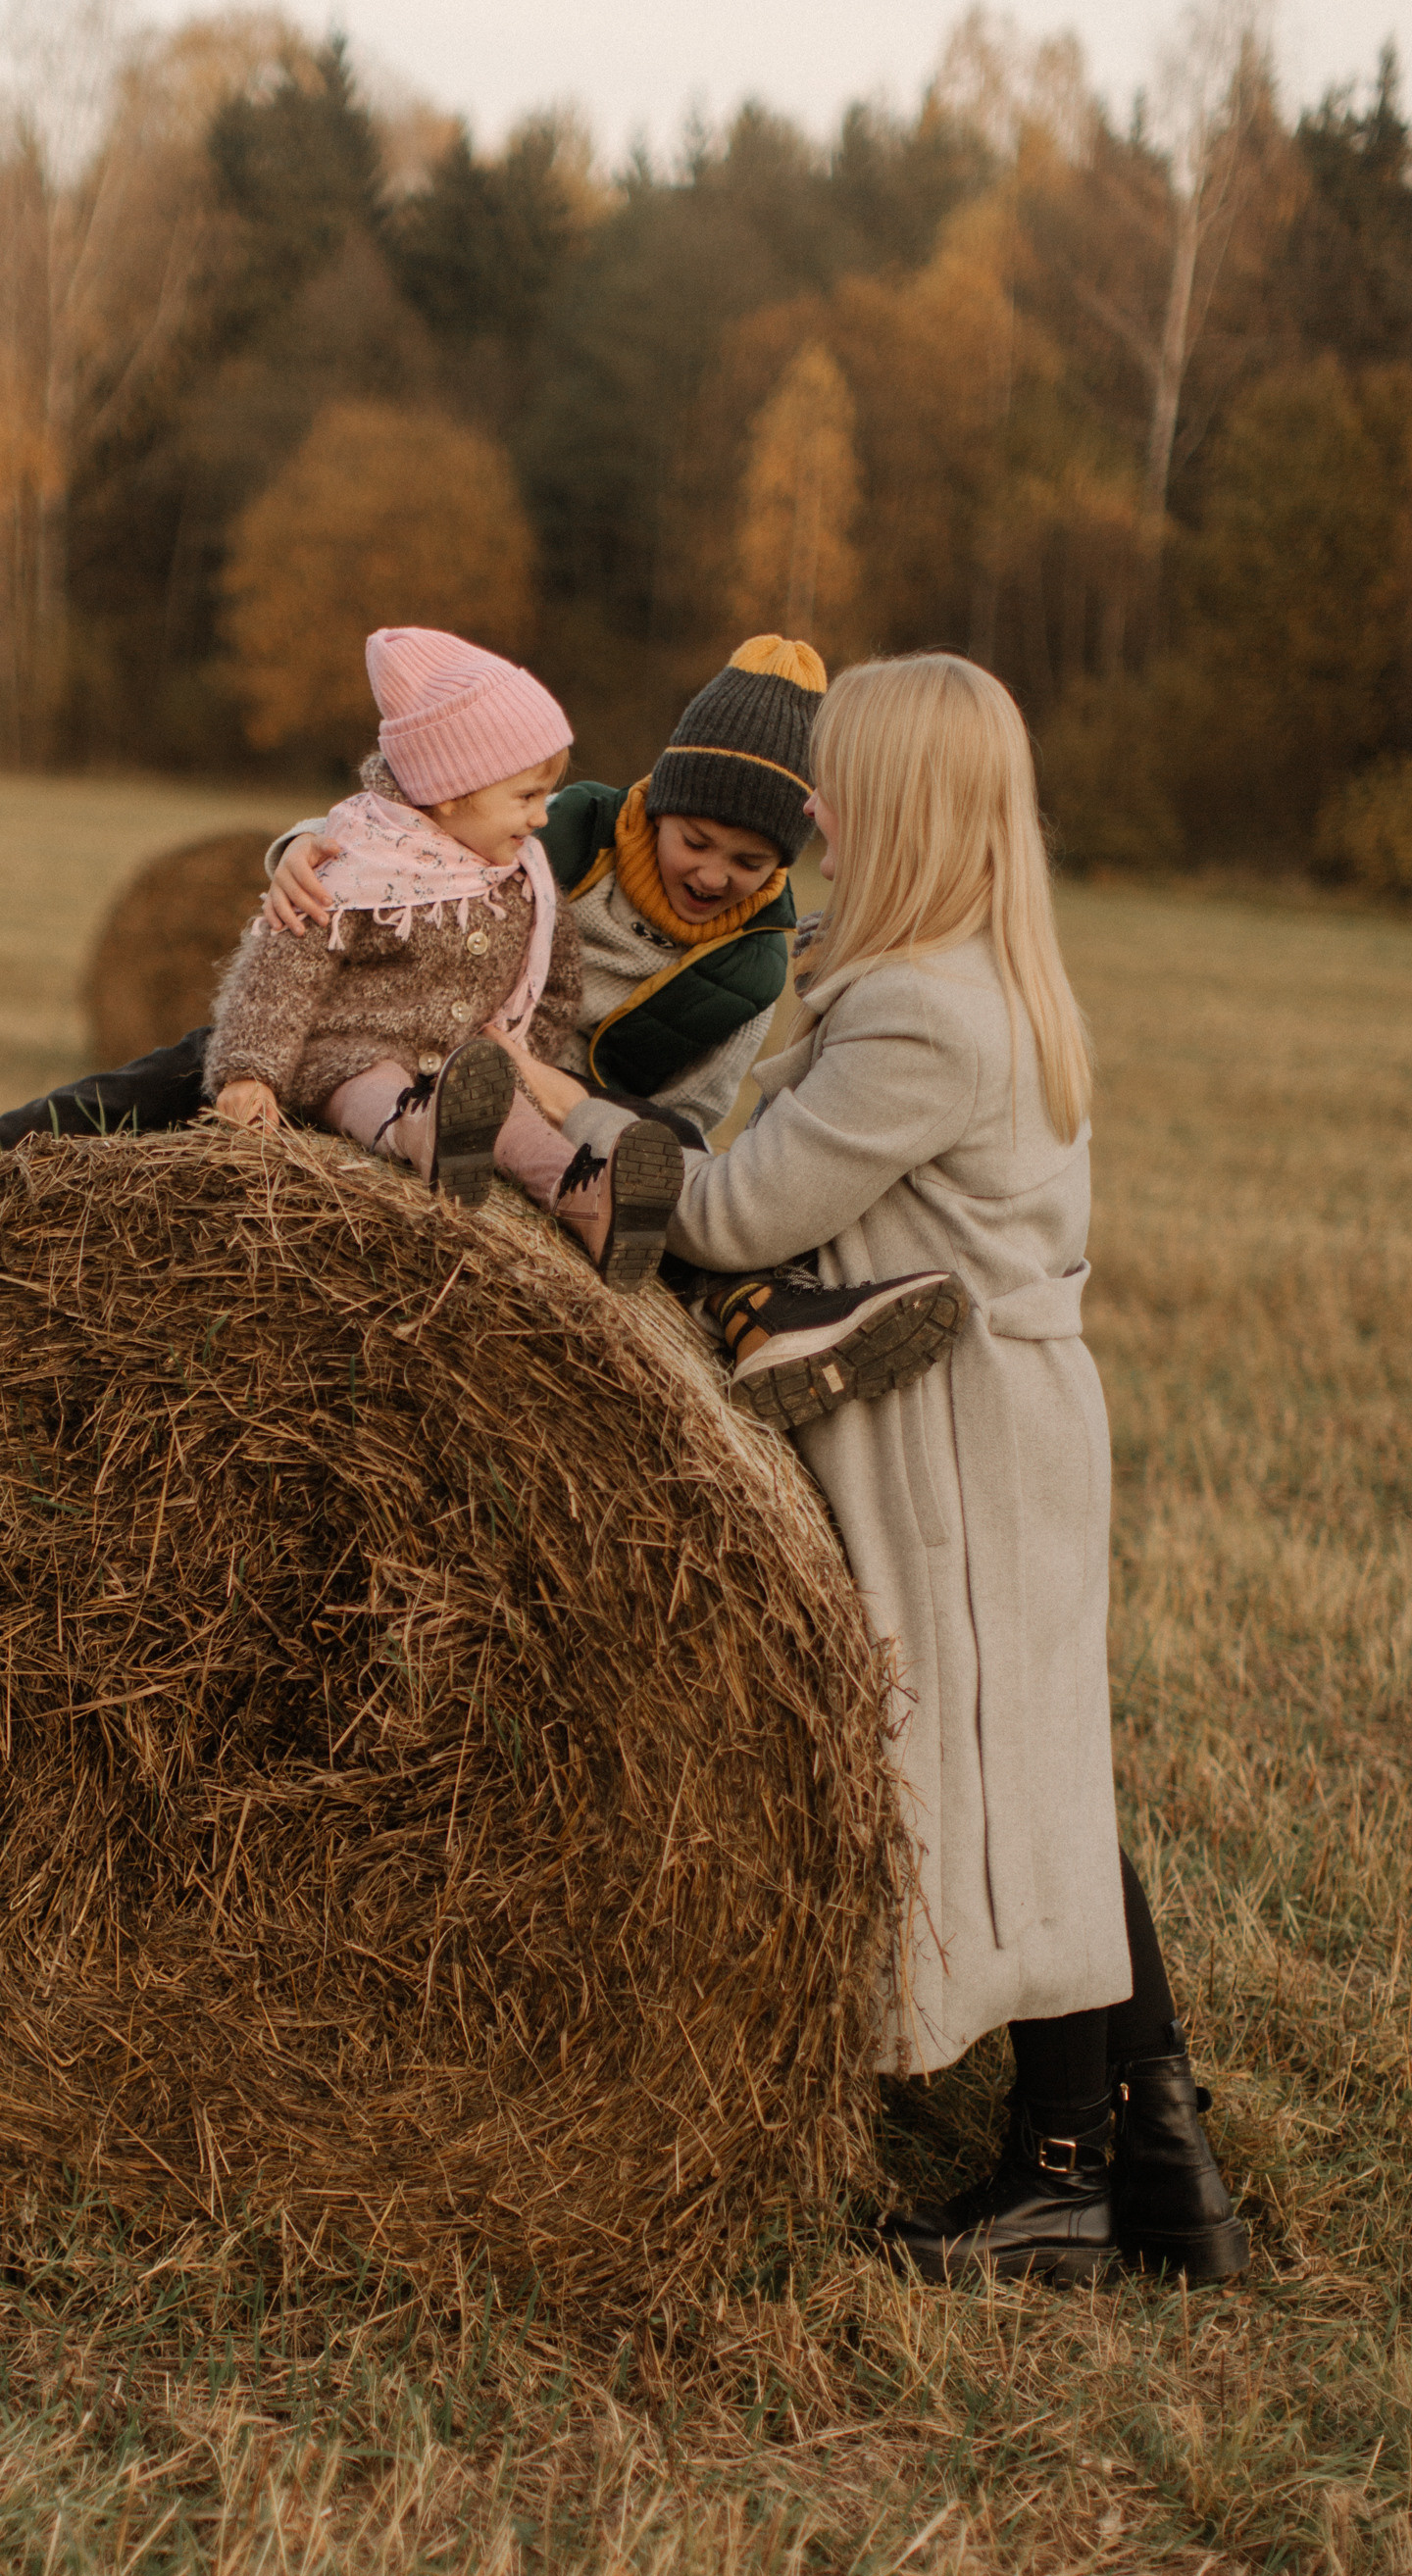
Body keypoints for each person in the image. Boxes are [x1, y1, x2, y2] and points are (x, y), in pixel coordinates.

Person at [532, 649, 1246, 2284]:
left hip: (964, 1441)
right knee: (1041, 1770)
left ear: (905, 805)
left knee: (997, 1793)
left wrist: (546, 1117)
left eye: (834, 782)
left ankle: (1061, 2185)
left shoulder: (920, 1013)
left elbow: (723, 1216)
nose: (810, 812)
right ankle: (1160, 2166)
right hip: (1000, 1419)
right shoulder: (980, 978)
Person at [0, 639, 965, 1415]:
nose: (709, 871)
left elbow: (693, 1124)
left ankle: (756, 1319)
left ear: (781, 863)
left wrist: (561, 1098)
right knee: (175, 1071)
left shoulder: (754, 965)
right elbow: (399, 815)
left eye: (747, 861)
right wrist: (296, 849)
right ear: (656, 802)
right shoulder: (561, 823)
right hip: (380, 1022)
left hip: (547, 1103)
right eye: (693, 839)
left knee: (668, 1198)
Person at [194, 623, 689, 1285]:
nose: (543, 816)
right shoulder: (354, 861)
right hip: (350, 1056)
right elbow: (280, 976)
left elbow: (555, 986)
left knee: (512, 1116)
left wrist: (524, 1061)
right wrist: (248, 1073)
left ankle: (590, 1200)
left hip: (467, 1069)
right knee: (371, 1083)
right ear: (453, 788)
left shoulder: (524, 877)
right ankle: (415, 1134)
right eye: (526, 797)